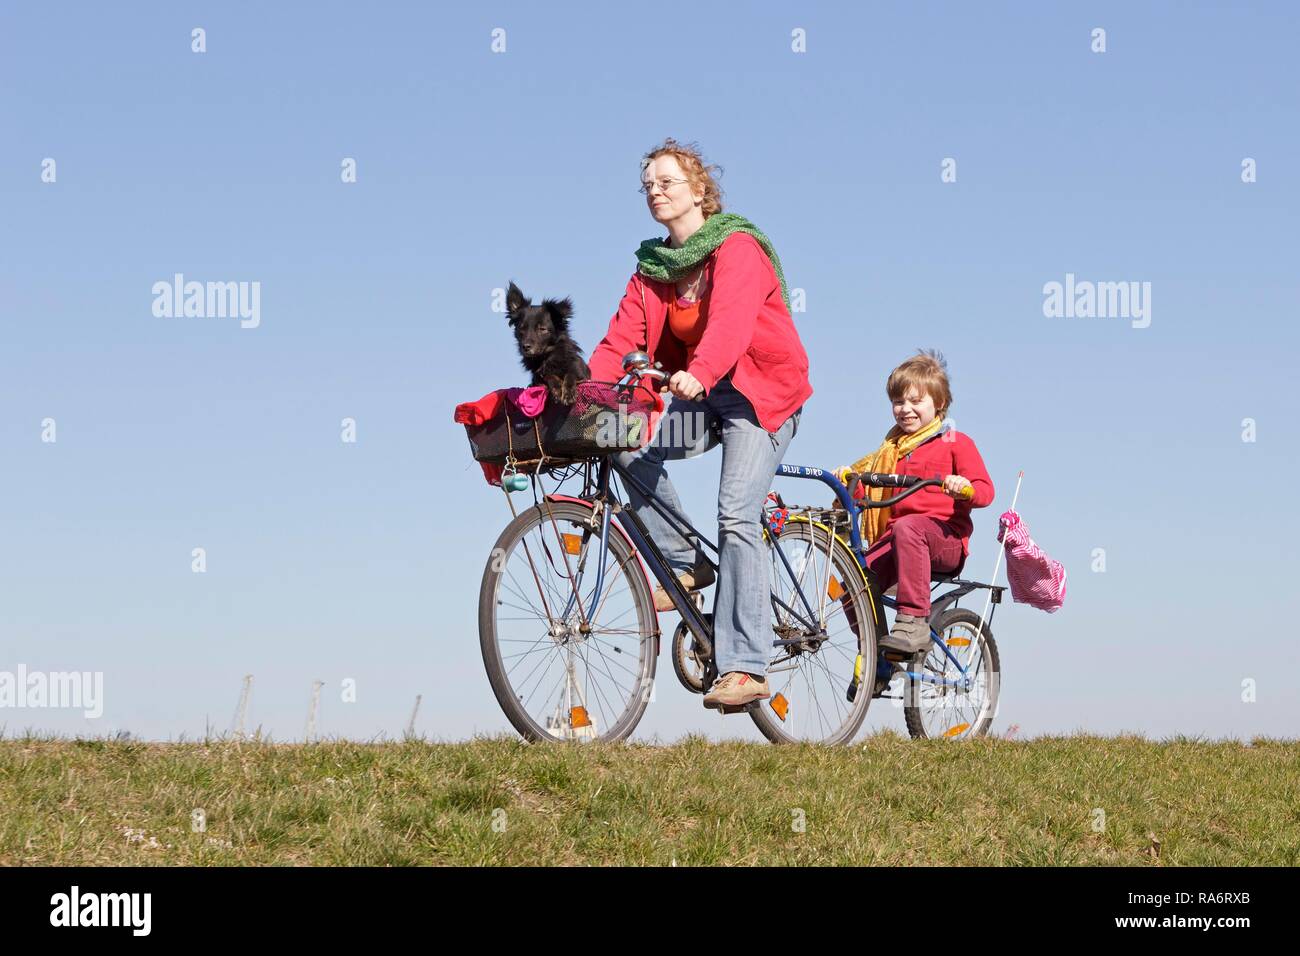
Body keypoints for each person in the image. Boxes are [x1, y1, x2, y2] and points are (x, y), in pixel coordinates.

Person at [586, 138, 812, 710]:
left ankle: (747, 665)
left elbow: (732, 323)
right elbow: (620, 340)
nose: (655, 192)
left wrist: (700, 371)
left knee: (736, 511)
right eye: (648, 186)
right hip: (704, 397)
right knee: (622, 443)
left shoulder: (736, 247)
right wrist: (583, 397)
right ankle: (686, 564)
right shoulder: (654, 268)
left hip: (759, 396)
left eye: (667, 182)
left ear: (699, 190)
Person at [832, 350, 995, 657]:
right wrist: (849, 483)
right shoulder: (889, 453)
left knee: (910, 527)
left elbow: (986, 491)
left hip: (945, 540)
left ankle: (912, 623)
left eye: (916, 401)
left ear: (940, 403)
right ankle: (874, 657)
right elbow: (868, 500)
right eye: (898, 402)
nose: (905, 409)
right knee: (852, 588)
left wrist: (965, 488)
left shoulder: (956, 442)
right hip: (897, 540)